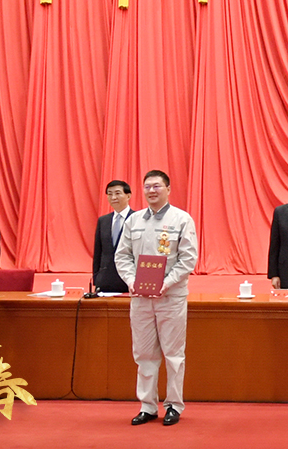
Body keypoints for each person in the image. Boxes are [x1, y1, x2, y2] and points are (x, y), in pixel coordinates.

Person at [115, 170, 197, 427]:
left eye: (157, 186)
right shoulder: (134, 220)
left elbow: (188, 259)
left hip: (170, 297)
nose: (151, 191)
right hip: (140, 298)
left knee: (173, 354)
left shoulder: (181, 219)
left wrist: (166, 283)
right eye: (147, 186)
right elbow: (122, 256)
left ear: (168, 189)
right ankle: (147, 406)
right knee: (144, 354)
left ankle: (173, 405)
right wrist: (131, 281)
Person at [92, 180, 132, 294]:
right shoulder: (103, 221)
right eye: (110, 194)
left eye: (117, 193)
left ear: (128, 195)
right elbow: (98, 252)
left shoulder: (137, 218)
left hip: (128, 280)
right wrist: (96, 278)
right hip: (105, 281)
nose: (113, 197)